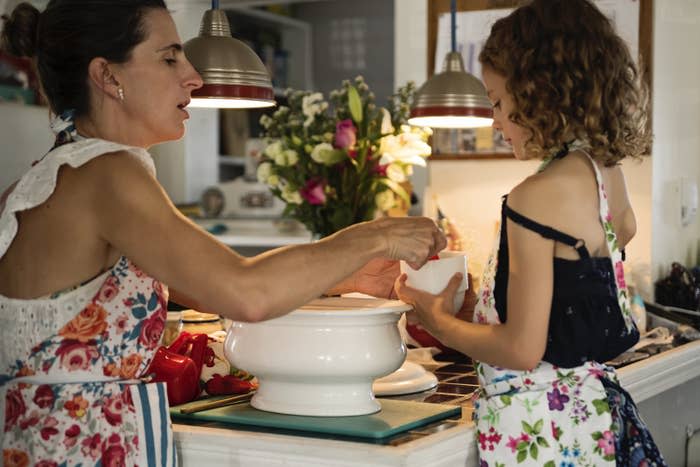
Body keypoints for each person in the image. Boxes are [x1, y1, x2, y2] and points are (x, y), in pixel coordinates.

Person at [0, 1, 445, 464]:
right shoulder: (107, 172)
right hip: (84, 448)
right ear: (109, 77)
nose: (194, 76)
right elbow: (244, 291)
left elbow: (204, 284)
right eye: (170, 57)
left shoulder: (42, 180)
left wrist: (345, 278)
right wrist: (373, 237)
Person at [395, 0, 667, 465]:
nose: (494, 120)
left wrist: (438, 319)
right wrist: (490, 304)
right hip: (594, 420)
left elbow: (522, 349)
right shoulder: (604, 171)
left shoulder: (534, 196)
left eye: (498, 102)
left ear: (542, 92)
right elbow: (612, 242)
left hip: (540, 430)